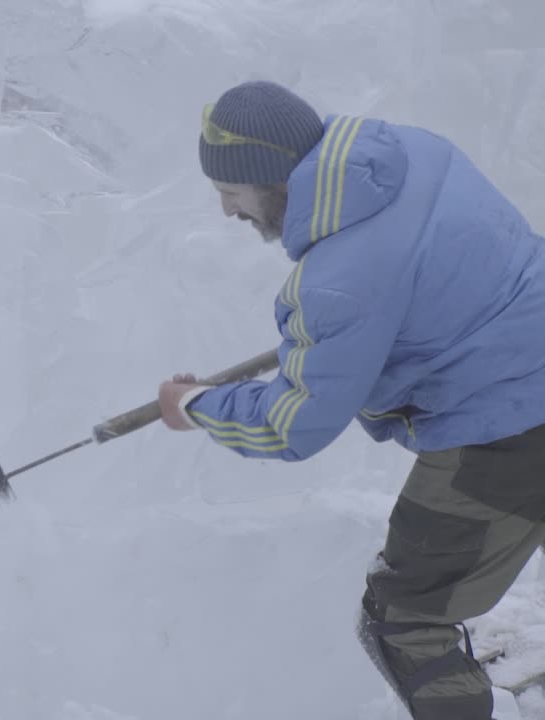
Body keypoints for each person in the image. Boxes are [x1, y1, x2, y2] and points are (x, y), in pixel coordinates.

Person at [156, 80, 545, 719]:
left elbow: (292, 426)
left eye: (231, 191)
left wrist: (197, 404)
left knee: (402, 619)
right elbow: (424, 270)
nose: (226, 210)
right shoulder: (417, 152)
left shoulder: (336, 282)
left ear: (272, 178)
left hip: (504, 433)